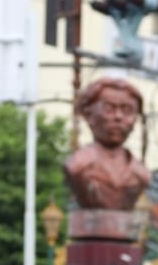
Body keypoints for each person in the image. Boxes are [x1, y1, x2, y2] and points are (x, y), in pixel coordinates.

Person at [63, 77, 151, 210]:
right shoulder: (78, 166)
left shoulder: (140, 174)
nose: (118, 117)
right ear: (88, 115)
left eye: (127, 111)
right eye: (109, 109)